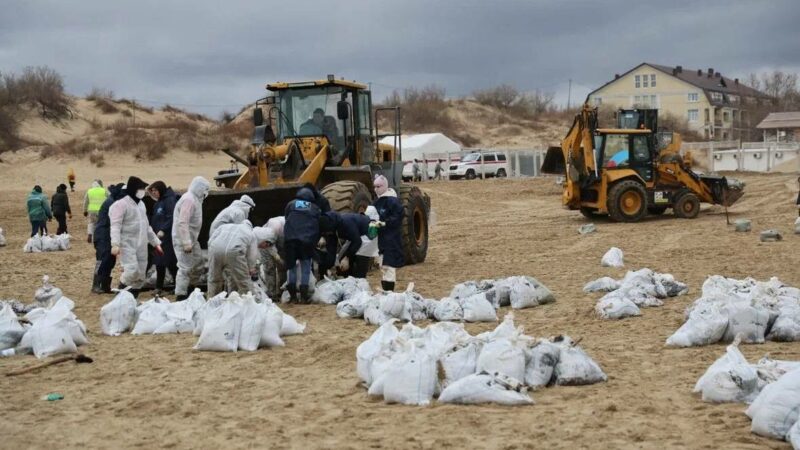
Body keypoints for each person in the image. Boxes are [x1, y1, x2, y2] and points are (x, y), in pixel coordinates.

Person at [109, 176, 162, 297]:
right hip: (127, 244)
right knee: (131, 271)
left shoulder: (141, 205)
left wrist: (156, 242)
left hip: (141, 245)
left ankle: (132, 299)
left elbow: (147, 226)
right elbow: (115, 225)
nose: (143, 191)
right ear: (133, 189)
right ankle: (120, 297)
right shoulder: (121, 205)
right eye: (141, 188)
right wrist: (115, 244)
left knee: (140, 275)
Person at [207, 223, 273, 298]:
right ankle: (249, 303)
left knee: (214, 279)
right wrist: (251, 268)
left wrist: (211, 251)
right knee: (243, 281)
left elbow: (211, 240)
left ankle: (212, 301)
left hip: (215, 249)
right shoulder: (251, 234)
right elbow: (252, 255)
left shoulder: (224, 226)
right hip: (235, 251)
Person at [172, 176, 211, 300]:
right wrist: (186, 242)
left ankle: (191, 288)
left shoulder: (196, 200)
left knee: (198, 264)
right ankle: (181, 295)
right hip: (184, 240)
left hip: (192, 239)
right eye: (205, 189)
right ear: (199, 188)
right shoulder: (188, 199)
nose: (206, 193)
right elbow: (183, 222)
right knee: (185, 267)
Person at [284, 187, 321, 302]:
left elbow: (286, 217)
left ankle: (293, 297)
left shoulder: (291, 204)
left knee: (292, 268)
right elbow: (318, 222)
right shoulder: (315, 208)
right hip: (306, 241)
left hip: (290, 240)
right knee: (305, 267)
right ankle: (304, 298)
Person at [372, 175, 404, 291]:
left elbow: (398, 216)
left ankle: (389, 292)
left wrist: (384, 223)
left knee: (389, 266)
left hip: (391, 239)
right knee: (383, 266)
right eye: (375, 187)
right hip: (381, 240)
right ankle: (386, 291)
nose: (376, 189)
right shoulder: (377, 202)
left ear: (385, 186)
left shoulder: (392, 201)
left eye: (378, 186)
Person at [92, 183, 125, 293]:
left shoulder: (113, 201)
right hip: (103, 235)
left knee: (110, 260)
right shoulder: (111, 203)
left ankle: (105, 286)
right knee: (102, 260)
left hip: (108, 235)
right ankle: (96, 285)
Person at [148, 181, 179, 294]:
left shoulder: (169, 201)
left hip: (168, 237)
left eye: (155, 191)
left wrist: (164, 229)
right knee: (159, 262)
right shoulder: (158, 203)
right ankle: (159, 287)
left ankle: (177, 285)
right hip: (158, 238)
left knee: (171, 262)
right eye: (153, 191)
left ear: (160, 190)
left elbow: (172, 217)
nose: (154, 193)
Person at [334, 209, 376, 278]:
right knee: (344, 257)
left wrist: (346, 258)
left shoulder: (346, 223)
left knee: (360, 262)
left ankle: (359, 280)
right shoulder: (338, 224)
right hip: (357, 236)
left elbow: (358, 242)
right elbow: (348, 244)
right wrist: (341, 258)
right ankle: (346, 279)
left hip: (368, 236)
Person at [259, 216, 286, 299]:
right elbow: (269, 245)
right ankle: (272, 294)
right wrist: (276, 256)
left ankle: (282, 290)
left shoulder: (290, 223)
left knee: (283, 268)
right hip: (265, 245)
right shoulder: (271, 227)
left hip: (282, 245)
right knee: (269, 268)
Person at [317, 211, 340, 278]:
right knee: (322, 256)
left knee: (329, 258)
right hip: (323, 232)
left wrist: (323, 236)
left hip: (330, 233)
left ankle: (328, 271)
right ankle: (322, 275)